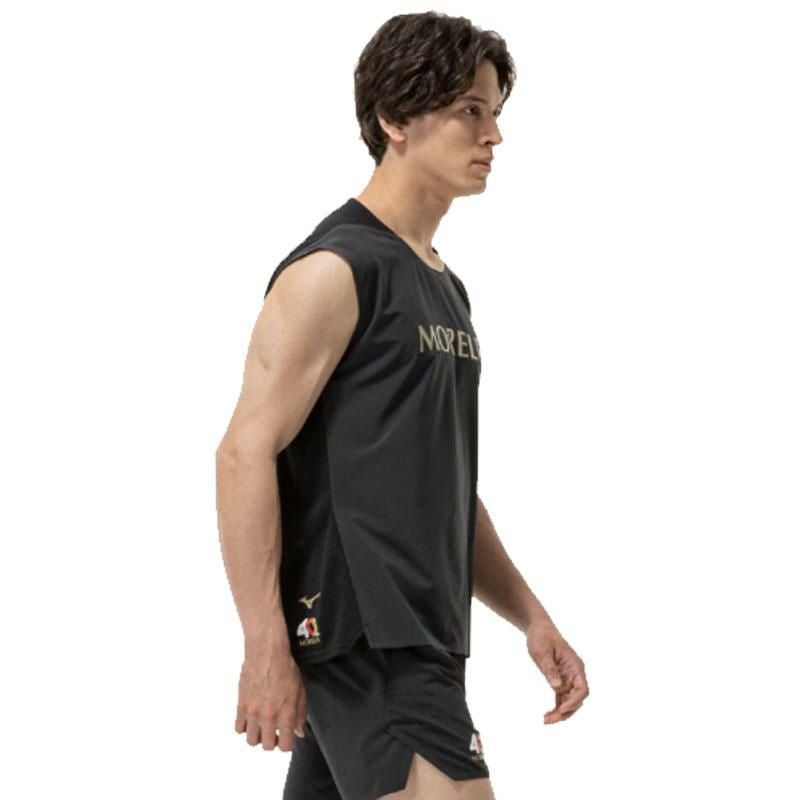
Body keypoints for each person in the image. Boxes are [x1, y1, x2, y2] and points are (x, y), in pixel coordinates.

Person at [215, 11, 589, 800]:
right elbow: (244, 453)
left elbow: (441, 486)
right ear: (395, 120)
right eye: (469, 111)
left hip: (424, 634)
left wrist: (530, 616)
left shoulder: (443, 286)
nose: (493, 135)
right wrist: (264, 644)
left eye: (495, 112)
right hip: (368, 635)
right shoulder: (334, 270)